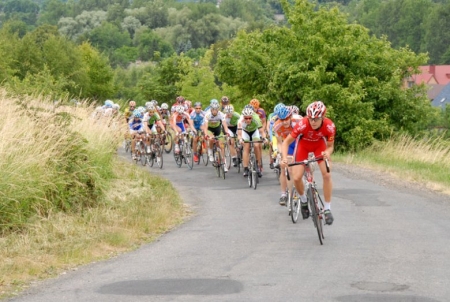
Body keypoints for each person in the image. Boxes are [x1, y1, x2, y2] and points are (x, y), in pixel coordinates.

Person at [280, 101, 336, 225]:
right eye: (310, 118)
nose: (313, 122)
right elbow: (286, 143)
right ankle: (304, 200)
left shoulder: (329, 126)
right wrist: (284, 158)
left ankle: (327, 209)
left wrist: (327, 152)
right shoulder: (302, 124)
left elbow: (331, 146)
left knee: (327, 174)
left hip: (319, 147)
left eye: (316, 119)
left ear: (323, 117)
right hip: (303, 146)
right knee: (296, 177)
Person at [272, 105, 302, 205]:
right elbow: (280, 143)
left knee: (308, 164)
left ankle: (311, 185)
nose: (285, 122)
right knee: (286, 167)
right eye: (282, 119)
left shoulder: (298, 120)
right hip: (289, 144)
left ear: (290, 116)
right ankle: (284, 194)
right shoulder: (277, 126)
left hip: (301, 142)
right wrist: (281, 155)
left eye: (287, 119)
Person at [237, 105, 268, 177]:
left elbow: (261, 131)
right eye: (246, 118)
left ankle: (258, 165)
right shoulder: (240, 121)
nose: (248, 120)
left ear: (252, 116)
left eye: (249, 118)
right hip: (245, 132)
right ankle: (245, 168)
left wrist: (264, 138)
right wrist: (240, 139)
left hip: (254, 131)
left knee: (256, 145)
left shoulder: (256, 118)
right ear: (243, 117)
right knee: (246, 147)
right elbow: (239, 134)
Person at [202, 102, 230, 172]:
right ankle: (210, 151)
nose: (215, 111)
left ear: (218, 109)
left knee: (221, 145)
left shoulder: (221, 114)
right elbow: (205, 126)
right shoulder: (207, 115)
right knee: (211, 139)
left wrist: (227, 132)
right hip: (209, 129)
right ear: (211, 109)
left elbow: (224, 125)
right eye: (213, 109)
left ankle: (224, 162)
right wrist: (206, 134)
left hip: (218, 129)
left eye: (216, 109)